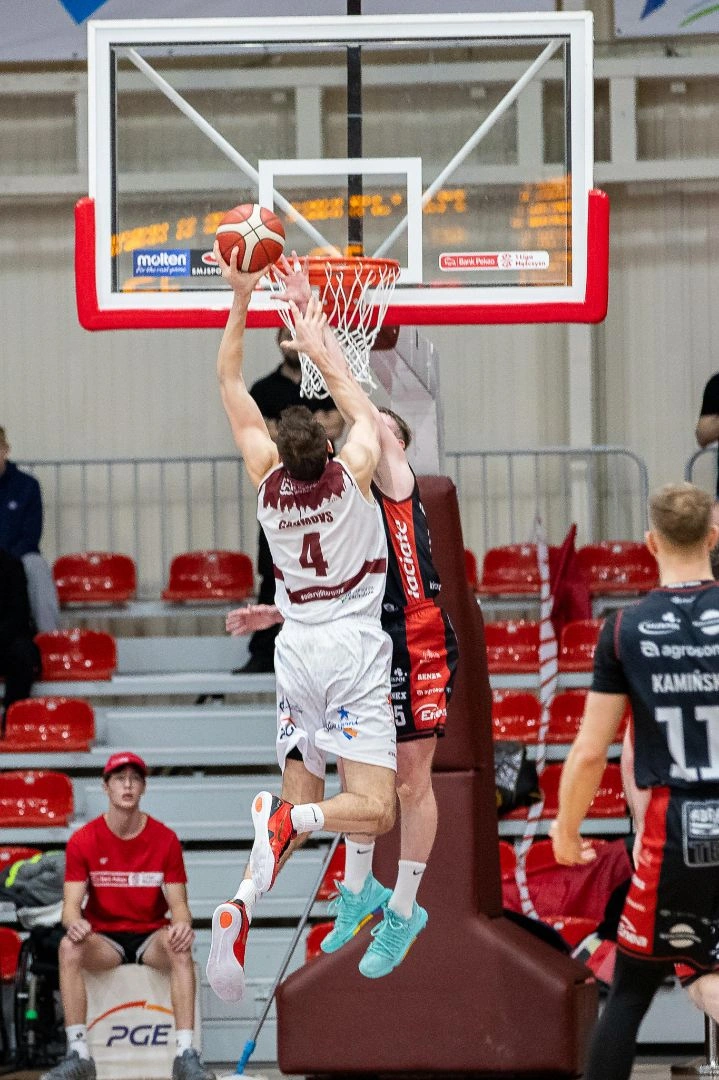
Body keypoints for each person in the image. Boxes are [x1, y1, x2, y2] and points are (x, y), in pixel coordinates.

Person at [226, 345, 458, 975]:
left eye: (384, 430)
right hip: (360, 636)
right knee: (370, 774)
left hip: (413, 631)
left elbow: (364, 422)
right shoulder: (343, 488)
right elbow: (329, 584)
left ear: (394, 443)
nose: (373, 433)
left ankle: (403, 909)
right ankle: (357, 890)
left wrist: (320, 339)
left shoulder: (391, 477)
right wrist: (279, 611)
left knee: (408, 781)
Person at [205, 247, 397, 1004]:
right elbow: (364, 411)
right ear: (328, 447)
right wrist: (319, 343)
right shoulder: (351, 476)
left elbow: (230, 383)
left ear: (280, 454)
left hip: (295, 651)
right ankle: (297, 818)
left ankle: (242, 900)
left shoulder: (264, 480)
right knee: (374, 809)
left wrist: (242, 296)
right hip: (350, 649)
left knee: (293, 795)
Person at [551, 482, 719, 1080]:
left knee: (630, 990)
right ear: (714, 537)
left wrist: (566, 829)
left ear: (650, 543)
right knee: (701, 974)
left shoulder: (625, 629)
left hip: (675, 830)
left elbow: (589, 750)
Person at [41, 752, 214, 1080]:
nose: (128, 785)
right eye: (120, 778)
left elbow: (179, 906)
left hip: (151, 934)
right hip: (105, 938)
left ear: (144, 787)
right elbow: (70, 907)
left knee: (180, 946)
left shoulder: (165, 839)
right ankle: (79, 1053)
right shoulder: (83, 840)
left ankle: (185, 1054)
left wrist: (182, 925)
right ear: (106, 786)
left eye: (135, 779)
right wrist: (75, 924)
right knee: (68, 947)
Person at [237, 329, 344, 673]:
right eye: (286, 334)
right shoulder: (263, 389)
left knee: (332, 569)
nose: (292, 339)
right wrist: (313, 426)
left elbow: (336, 425)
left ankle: (327, 649)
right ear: (278, 340)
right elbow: (262, 433)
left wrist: (284, 429)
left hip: (326, 495)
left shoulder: (326, 385)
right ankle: (264, 652)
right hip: (281, 494)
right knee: (273, 570)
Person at [0, 426, 60, 632]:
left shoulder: (27, 486)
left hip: (18, 559)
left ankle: (50, 637)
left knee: (37, 565)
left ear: (5, 450)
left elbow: (31, 536)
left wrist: (5, 561)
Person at [0, 549, 41, 735]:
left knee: (22, 654)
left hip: (6, 642)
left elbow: (18, 616)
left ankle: (12, 723)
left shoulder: (12, 565)